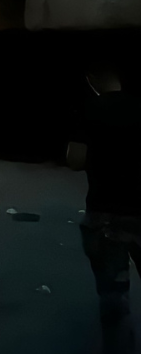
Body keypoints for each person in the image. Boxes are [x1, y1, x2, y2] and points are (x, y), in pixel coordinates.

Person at [68, 68, 141, 354]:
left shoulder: (90, 108)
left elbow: (75, 159)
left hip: (105, 211)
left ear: (92, 78)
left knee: (114, 298)